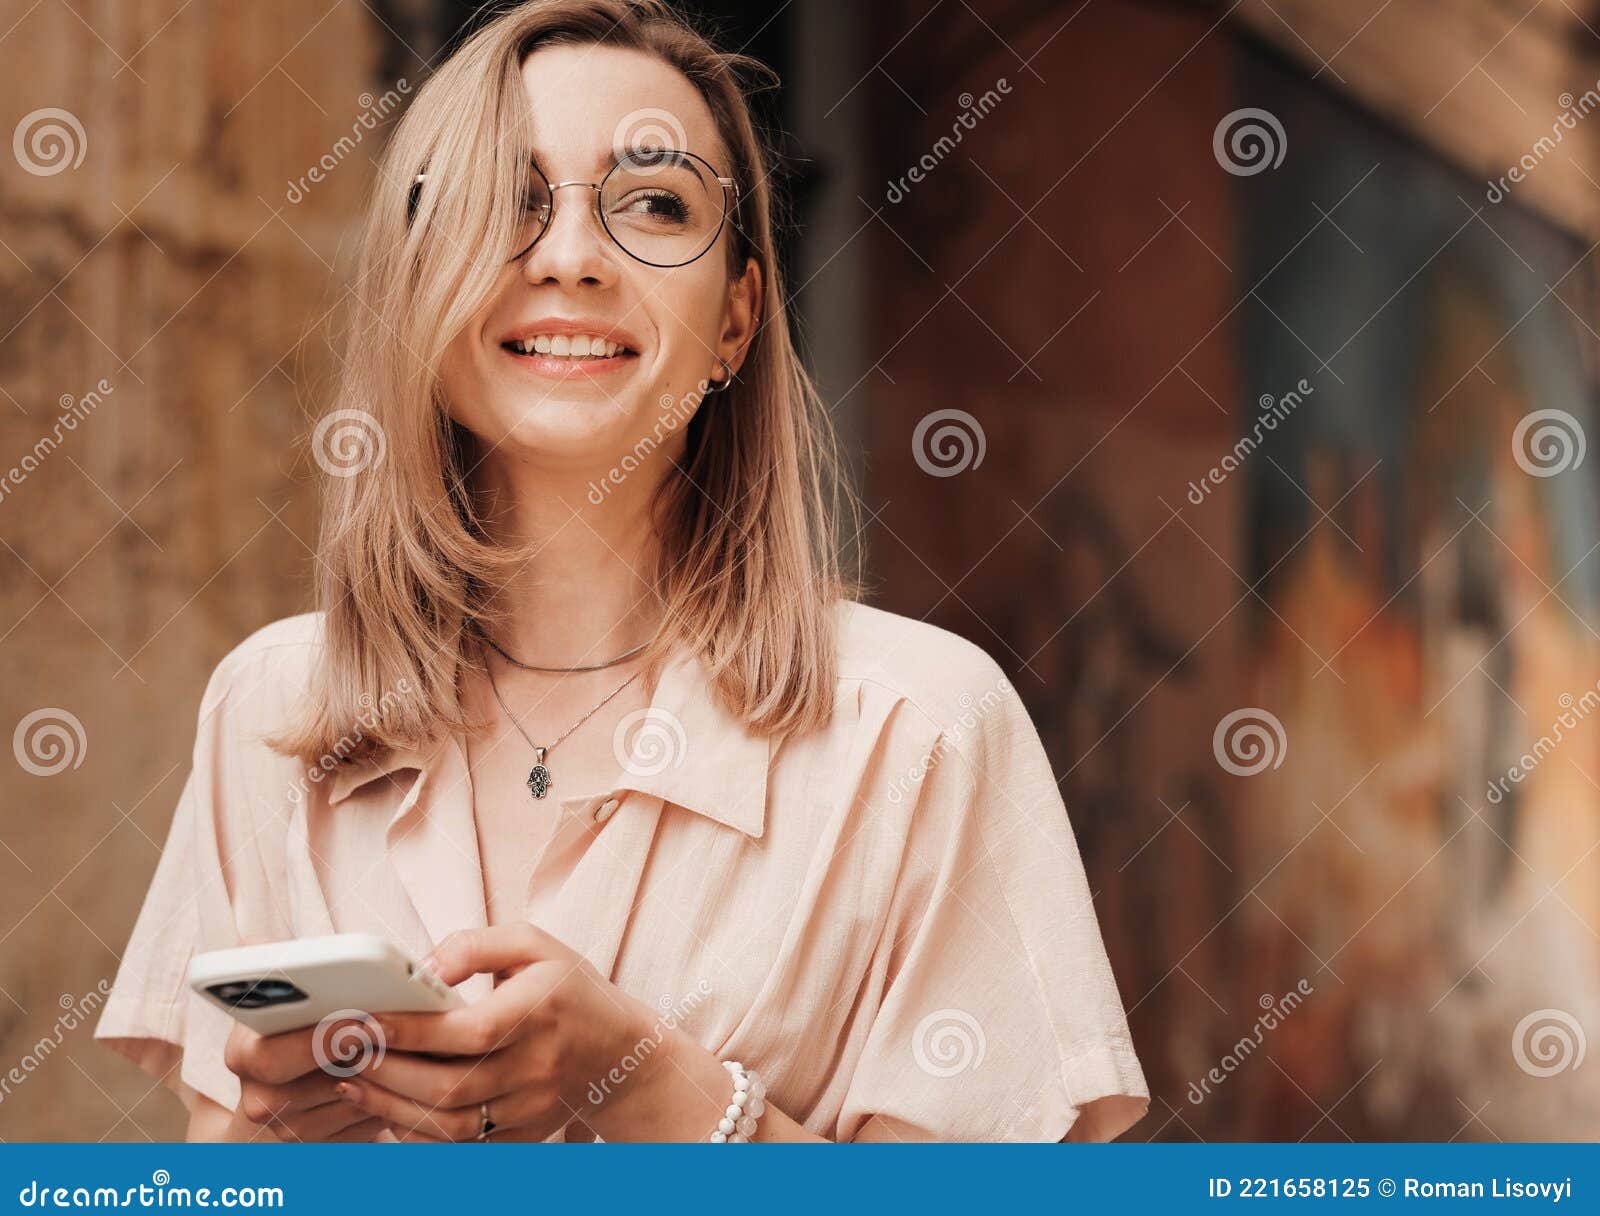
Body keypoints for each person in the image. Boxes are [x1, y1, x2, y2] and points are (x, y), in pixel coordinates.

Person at [94, 0, 1148, 1143]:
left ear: (738, 318)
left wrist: (654, 1088)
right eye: (506, 200)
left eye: (653, 203)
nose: (571, 258)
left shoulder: (920, 731)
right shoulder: (272, 711)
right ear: (409, 290)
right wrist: (281, 1142)